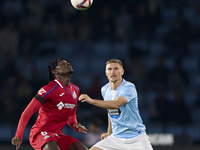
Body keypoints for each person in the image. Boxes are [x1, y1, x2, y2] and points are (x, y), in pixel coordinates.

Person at [11, 57, 88, 150]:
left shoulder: (75, 89)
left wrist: (76, 125)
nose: (67, 64)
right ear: (55, 71)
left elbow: (71, 117)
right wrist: (18, 135)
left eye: (68, 62)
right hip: (41, 132)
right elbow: (26, 113)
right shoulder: (49, 89)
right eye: (62, 63)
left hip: (58, 135)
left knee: (81, 148)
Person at [79, 59, 153, 150]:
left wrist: (91, 101)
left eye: (116, 69)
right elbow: (110, 110)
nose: (112, 72)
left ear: (122, 71)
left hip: (136, 138)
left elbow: (116, 104)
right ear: (106, 72)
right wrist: (109, 132)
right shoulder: (104, 89)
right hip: (116, 138)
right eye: (109, 69)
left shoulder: (129, 87)